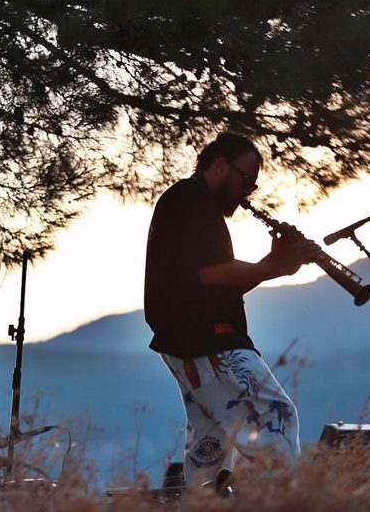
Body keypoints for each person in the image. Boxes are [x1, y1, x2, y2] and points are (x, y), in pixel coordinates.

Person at [143, 132, 322, 493]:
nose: (248, 192)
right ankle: (272, 501)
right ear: (221, 166)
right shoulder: (192, 199)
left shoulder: (191, 202)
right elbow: (213, 272)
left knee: (210, 442)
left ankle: (200, 501)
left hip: (187, 340)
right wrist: (278, 267)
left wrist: (272, 262)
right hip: (208, 339)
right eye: (246, 180)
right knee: (275, 417)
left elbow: (215, 285)